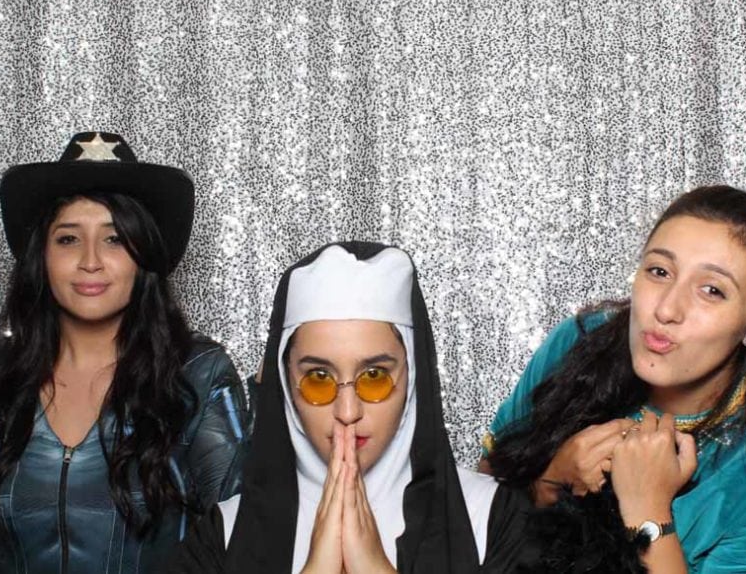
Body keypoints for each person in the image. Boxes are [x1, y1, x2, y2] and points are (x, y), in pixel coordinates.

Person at [0, 131, 250, 573]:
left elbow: (245, 535)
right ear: (41, 256)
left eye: (115, 239)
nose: (90, 261)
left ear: (145, 256)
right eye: (68, 239)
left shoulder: (198, 374)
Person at [485, 185, 746, 573]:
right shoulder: (580, 345)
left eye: (712, 290)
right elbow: (471, 508)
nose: (666, 309)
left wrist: (647, 511)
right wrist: (549, 484)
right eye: (659, 271)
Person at [169, 242, 531, 573]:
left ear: (413, 377)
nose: (346, 412)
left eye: (374, 376)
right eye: (319, 378)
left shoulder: (494, 518)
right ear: (285, 382)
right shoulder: (220, 537)